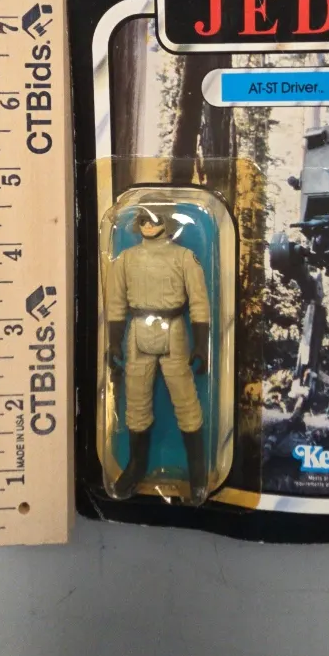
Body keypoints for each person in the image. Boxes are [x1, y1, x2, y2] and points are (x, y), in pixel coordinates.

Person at [106, 204, 210, 503]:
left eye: (154, 220)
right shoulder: (125, 259)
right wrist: (114, 342)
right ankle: (136, 465)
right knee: (135, 400)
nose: (149, 226)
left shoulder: (183, 257)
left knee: (186, 399)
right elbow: (116, 304)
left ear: (167, 223)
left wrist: (200, 344)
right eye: (143, 220)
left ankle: (197, 470)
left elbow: (199, 303)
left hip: (173, 331)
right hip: (138, 331)